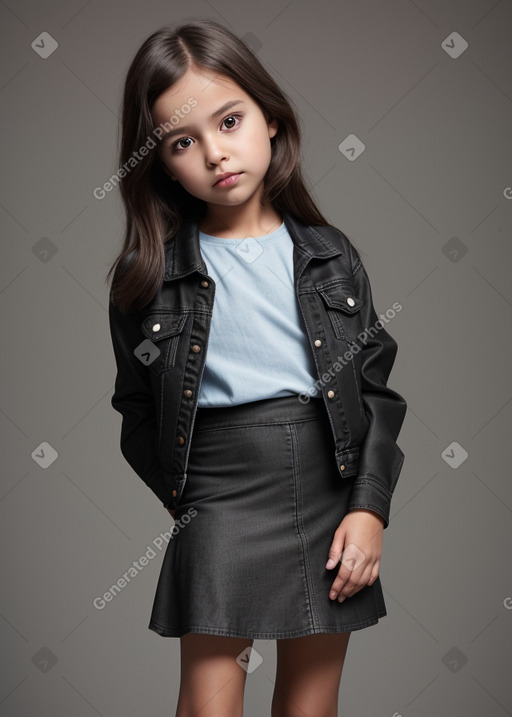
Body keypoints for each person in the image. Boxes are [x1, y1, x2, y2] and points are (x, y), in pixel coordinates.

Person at [107, 18, 407, 717]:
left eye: (230, 120)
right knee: (208, 705)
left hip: (329, 489)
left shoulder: (332, 255)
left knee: (310, 706)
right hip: (219, 494)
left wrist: (369, 507)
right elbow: (136, 408)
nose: (216, 153)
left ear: (270, 120)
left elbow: (375, 392)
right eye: (184, 141)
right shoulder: (148, 278)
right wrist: (186, 499)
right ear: (161, 162)